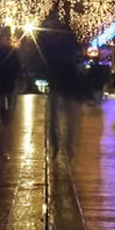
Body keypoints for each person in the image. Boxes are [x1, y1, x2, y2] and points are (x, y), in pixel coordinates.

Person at [37, 19, 87, 157]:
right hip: (70, 86)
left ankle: (55, 145)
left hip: (57, 85)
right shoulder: (73, 46)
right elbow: (79, 68)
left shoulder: (49, 46)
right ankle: (69, 147)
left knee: (54, 117)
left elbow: (44, 64)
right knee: (71, 119)